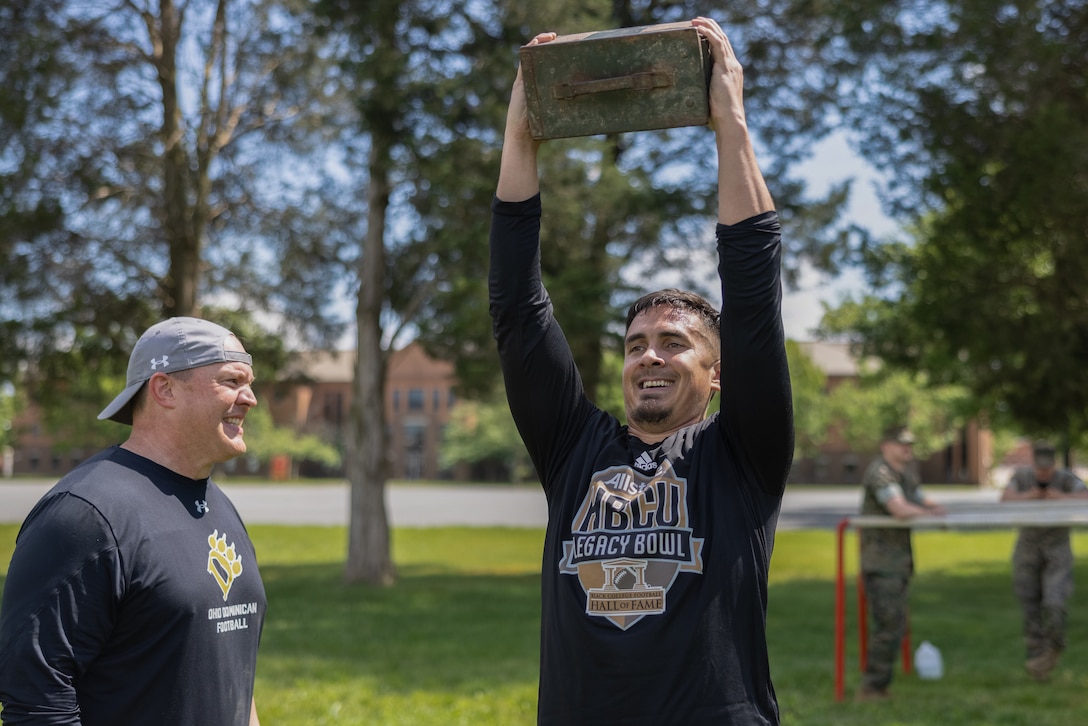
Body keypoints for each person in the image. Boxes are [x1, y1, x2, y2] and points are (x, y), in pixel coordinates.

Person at [489, 17, 794, 725]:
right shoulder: (574, 449)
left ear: (717, 375)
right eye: (635, 344)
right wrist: (521, 137)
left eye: (674, 342)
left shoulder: (742, 454)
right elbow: (517, 311)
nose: (649, 355)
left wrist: (729, 122)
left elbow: (751, 294)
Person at [0, 317, 266, 725]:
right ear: (165, 389)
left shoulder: (219, 505)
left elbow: (231, 675)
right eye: (231, 381)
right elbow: (37, 702)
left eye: (248, 383)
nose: (249, 398)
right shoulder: (84, 515)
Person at [857, 425, 946, 701]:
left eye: (909, 444)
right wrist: (931, 515)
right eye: (901, 444)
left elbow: (918, 497)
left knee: (895, 624)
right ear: (886, 446)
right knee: (888, 627)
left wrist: (935, 507)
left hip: (897, 563)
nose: (907, 448)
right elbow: (899, 508)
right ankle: (872, 688)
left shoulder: (905, 473)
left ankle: (879, 685)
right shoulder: (881, 473)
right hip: (881, 564)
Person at [1000, 439, 1088, 681]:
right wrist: (1030, 495)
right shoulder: (1022, 477)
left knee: (1055, 601)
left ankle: (1056, 644)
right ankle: (1038, 661)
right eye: (1040, 468)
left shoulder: (1066, 479)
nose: (1044, 473)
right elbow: (1005, 499)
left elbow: (1085, 497)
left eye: (1047, 468)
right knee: (1029, 605)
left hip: (1057, 549)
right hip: (1028, 548)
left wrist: (1059, 497)